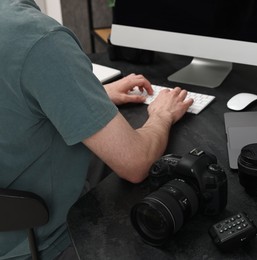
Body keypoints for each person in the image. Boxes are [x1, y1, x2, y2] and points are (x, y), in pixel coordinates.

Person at [0, 1, 193, 259]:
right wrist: (161, 116)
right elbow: (135, 163)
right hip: (38, 241)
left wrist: (87, 96)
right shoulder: (38, 39)